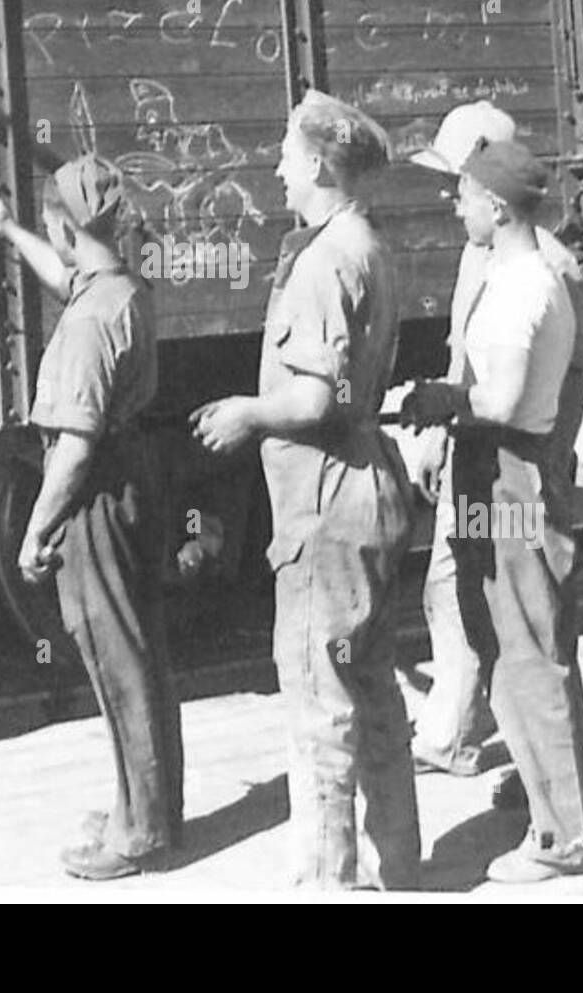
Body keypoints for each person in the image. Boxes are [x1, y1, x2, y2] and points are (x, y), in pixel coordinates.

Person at [191, 90, 420, 890]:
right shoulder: (367, 245)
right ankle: (400, 867)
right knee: (372, 685)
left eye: (287, 156)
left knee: (321, 700)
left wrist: (248, 412)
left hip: (328, 500)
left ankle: (328, 881)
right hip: (365, 487)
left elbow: (317, 401)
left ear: (320, 163)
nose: (279, 171)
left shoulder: (326, 260)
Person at [402, 139, 583, 881]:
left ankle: (566, 836)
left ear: (494, 205)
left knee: (526, 651)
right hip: (494, 473)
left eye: (463, 194)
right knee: (501, 634)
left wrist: (443, 400)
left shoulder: (523, 286)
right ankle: (551, 807)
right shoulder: (513, 272)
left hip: (512, 476)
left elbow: (507, 400)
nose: (456, 205)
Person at [0, 155, 183, 880]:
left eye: (48, 227)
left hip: (95, 496)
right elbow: (66, 275)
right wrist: (8, 230)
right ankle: (150, 807)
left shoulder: (91, 321)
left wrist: (36, 529)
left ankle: (140, 833)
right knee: (139, 653)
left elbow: (72, 450)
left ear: (67, 226)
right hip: (129, 481)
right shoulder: (122, 290)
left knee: (117, 661)